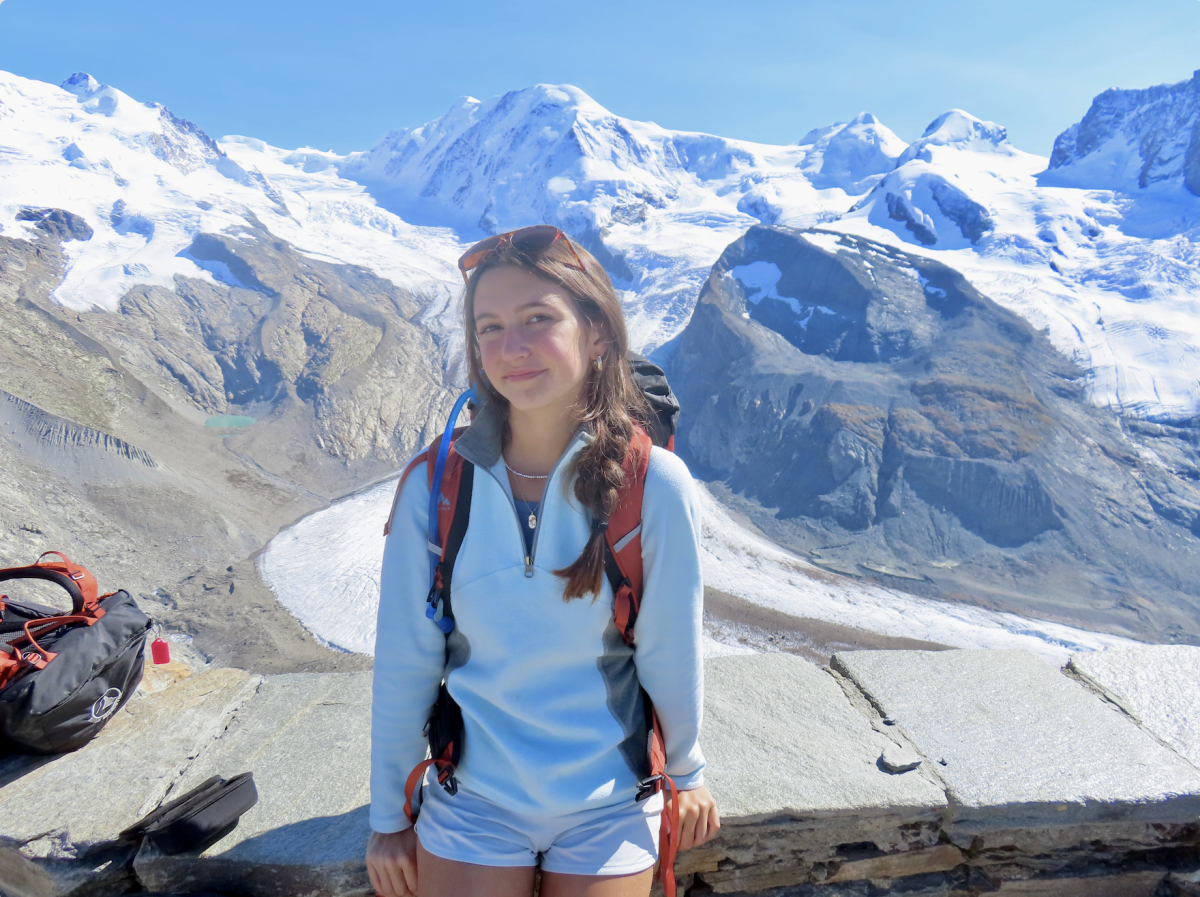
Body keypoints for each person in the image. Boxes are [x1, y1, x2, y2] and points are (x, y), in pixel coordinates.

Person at [366, 226, 719, 897]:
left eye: (537, 319)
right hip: (472, 800)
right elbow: (407, 658)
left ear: (598, 336)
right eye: (489, 327)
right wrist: (389, 814)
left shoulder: (655, 484)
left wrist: (687, 771)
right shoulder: (436, 485)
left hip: (610, 805)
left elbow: (671, 649)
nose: (511, 348)